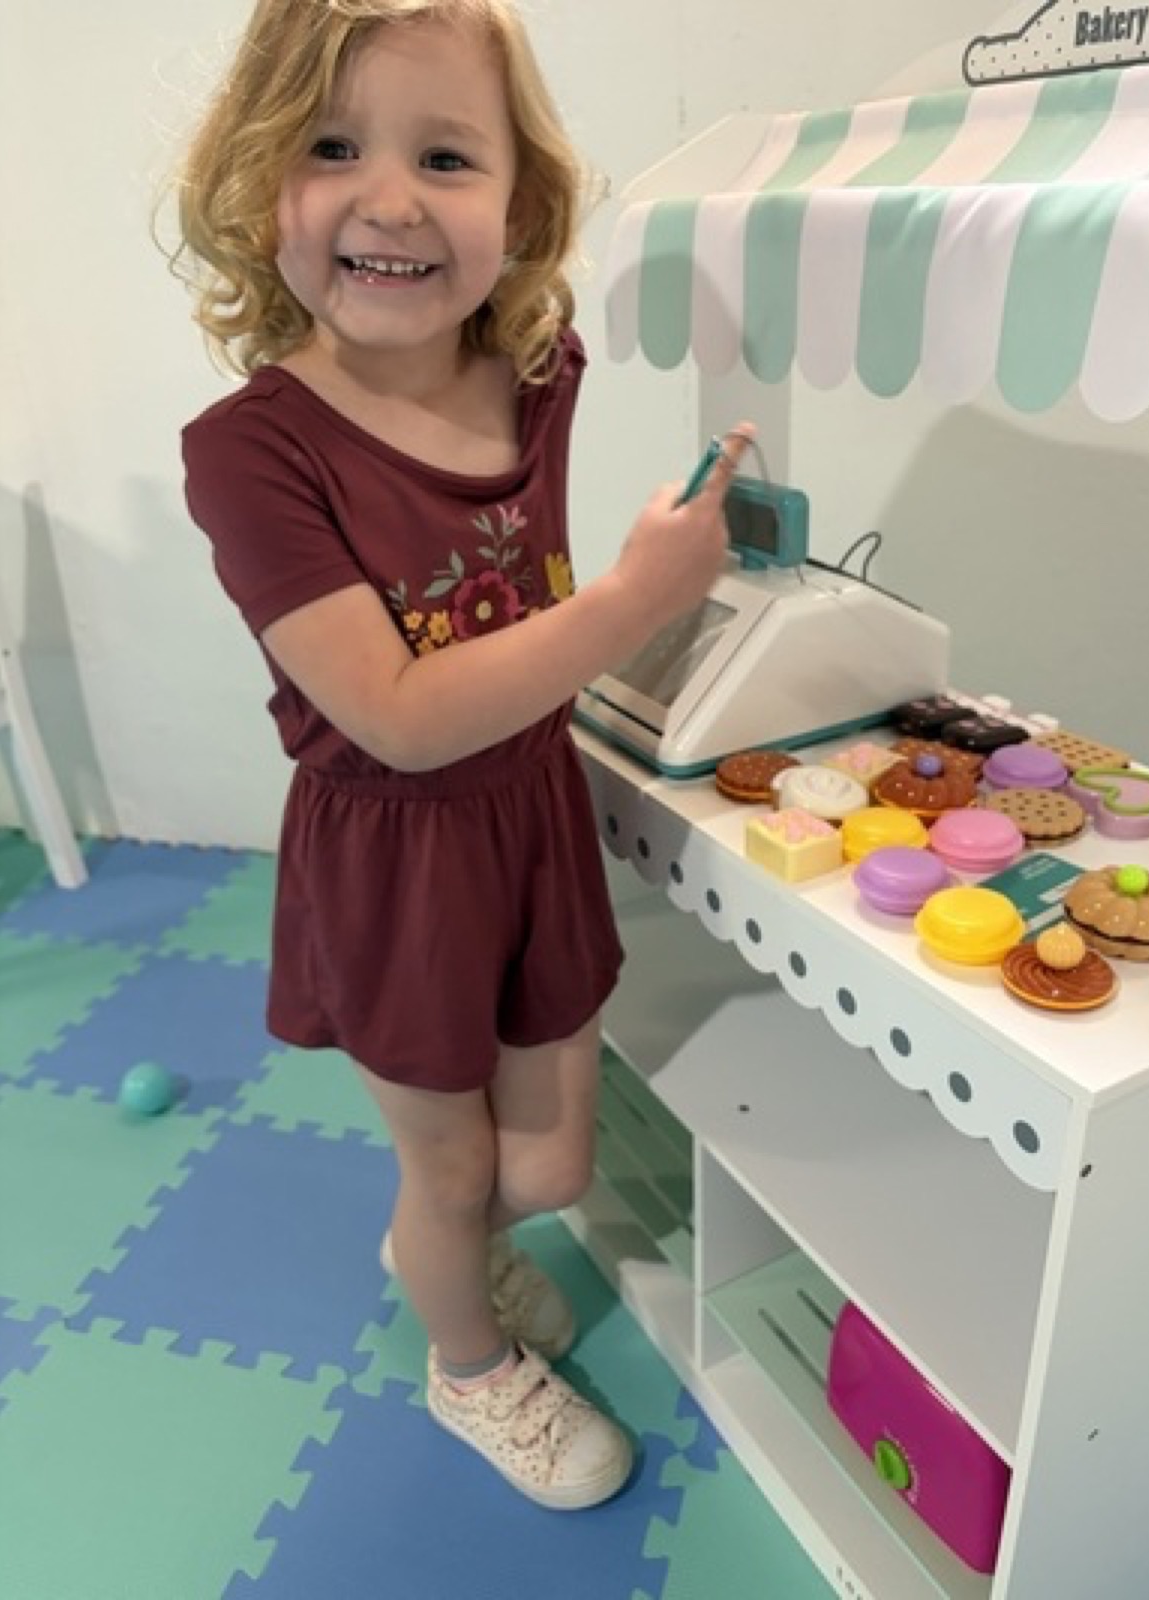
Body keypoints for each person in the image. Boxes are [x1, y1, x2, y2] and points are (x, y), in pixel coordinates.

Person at [172, 0, 750, 1512]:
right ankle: (466, 1367)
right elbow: (403, 712)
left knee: (549, 1173)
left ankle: (448, 1255)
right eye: (330, 146)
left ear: (518, 206)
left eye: (445, 155)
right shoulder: (252, 451)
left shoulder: (535, 379)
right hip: (397, 857)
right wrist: (636, 602)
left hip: (530, 817)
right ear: (256, 182)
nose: (387, 196)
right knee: (448, 1171)